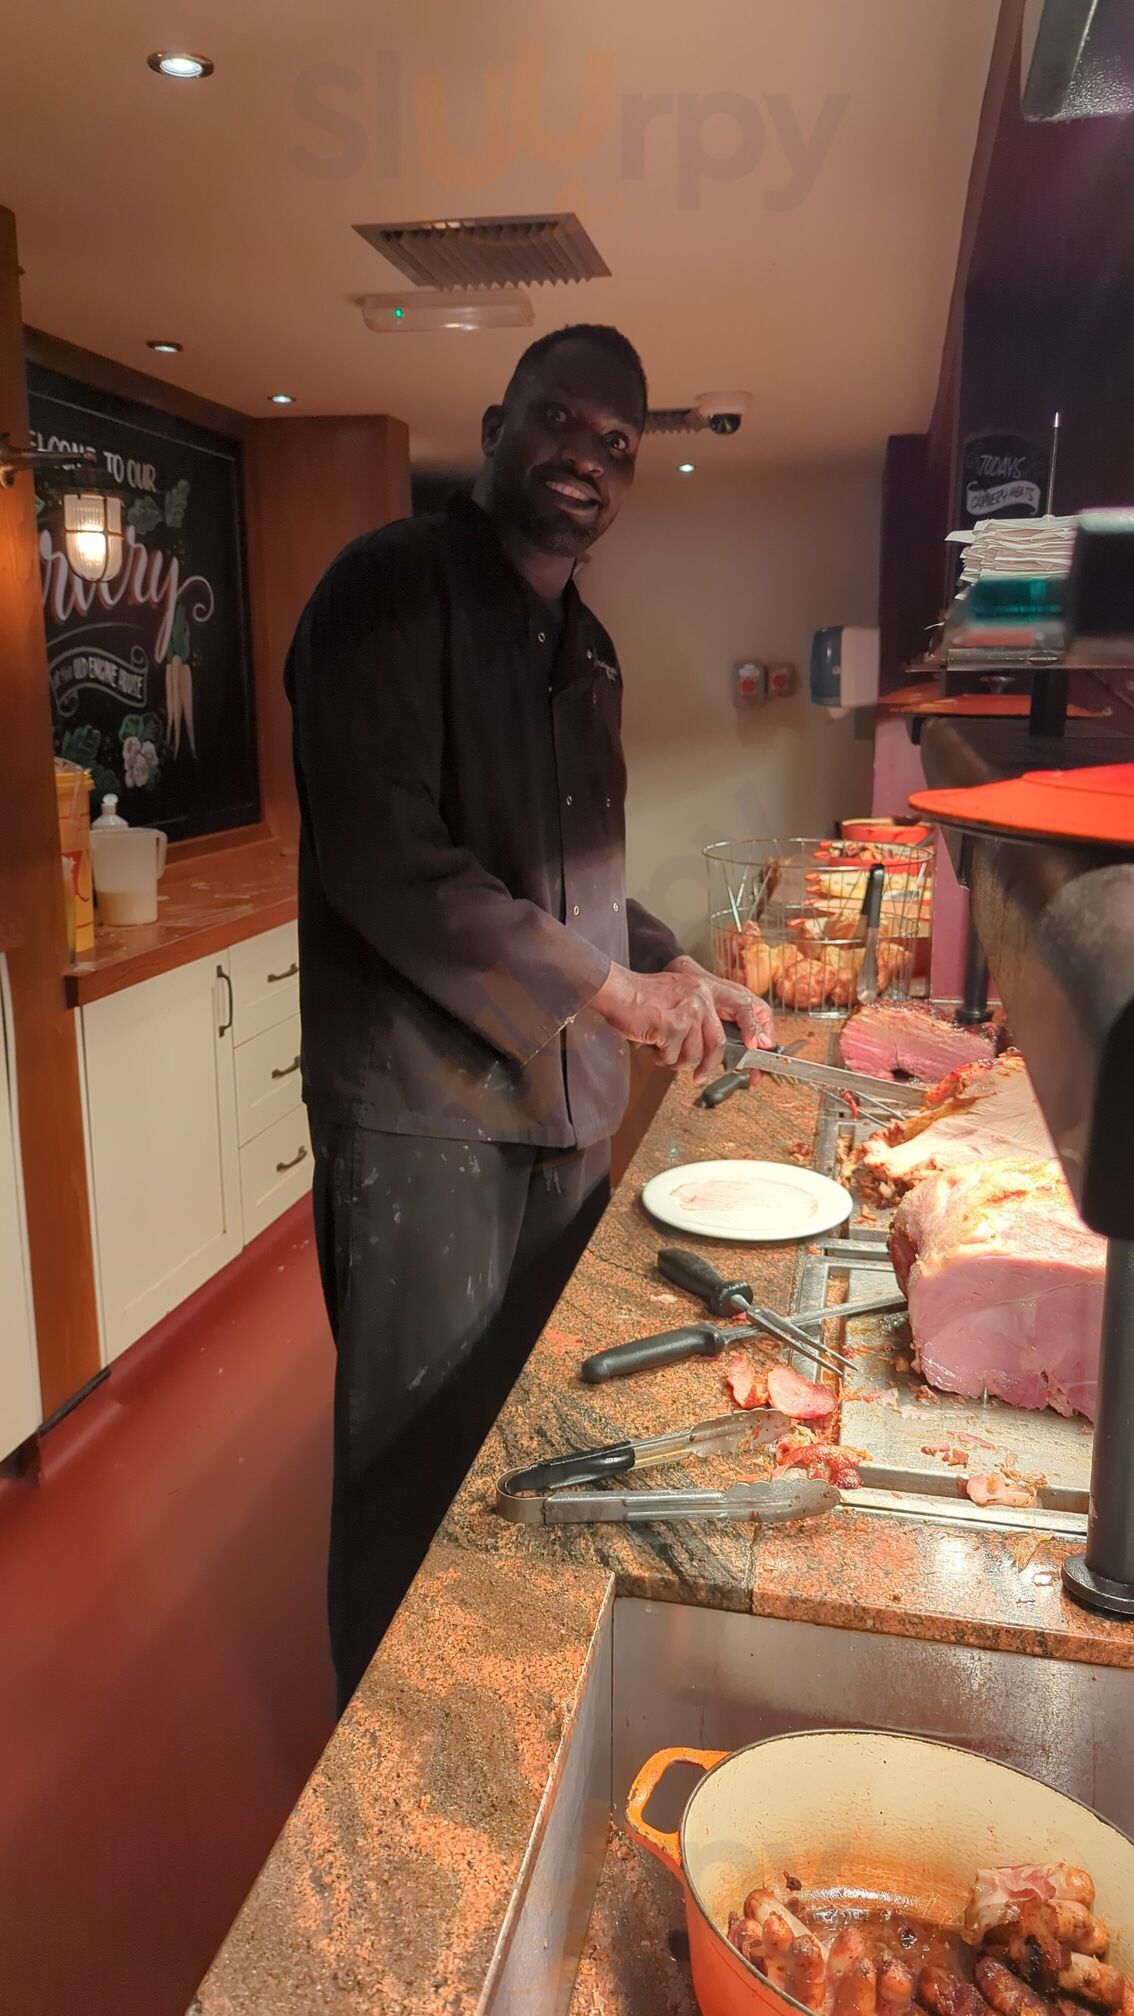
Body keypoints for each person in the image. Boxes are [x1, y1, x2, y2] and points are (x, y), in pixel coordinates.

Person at [286, 323, 774, 1708]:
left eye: (617, 442)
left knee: (544, 1432)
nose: (586, 456)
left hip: (562, 1124)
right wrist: (610, 990)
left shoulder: (587, 645)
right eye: (559, 419)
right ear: (497, 425)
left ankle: (509, 1701)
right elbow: (392, 861)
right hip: (425, 1119)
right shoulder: (384, 590)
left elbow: (576, 884)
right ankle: (392, 1753)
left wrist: (675, 970)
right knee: (415, 1463)